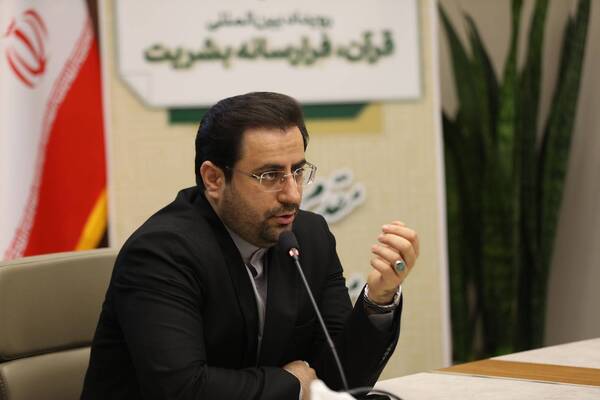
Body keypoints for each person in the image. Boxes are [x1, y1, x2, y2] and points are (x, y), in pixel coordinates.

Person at [81, 92, 419, 399]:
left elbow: (341, 379)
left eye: (297, 171)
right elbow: (183, 389)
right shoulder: (161, 253)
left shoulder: (309, 236)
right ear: (214, 179)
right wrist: (291, 384)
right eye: (270, 176)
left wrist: (378, 300)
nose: (293, 194)